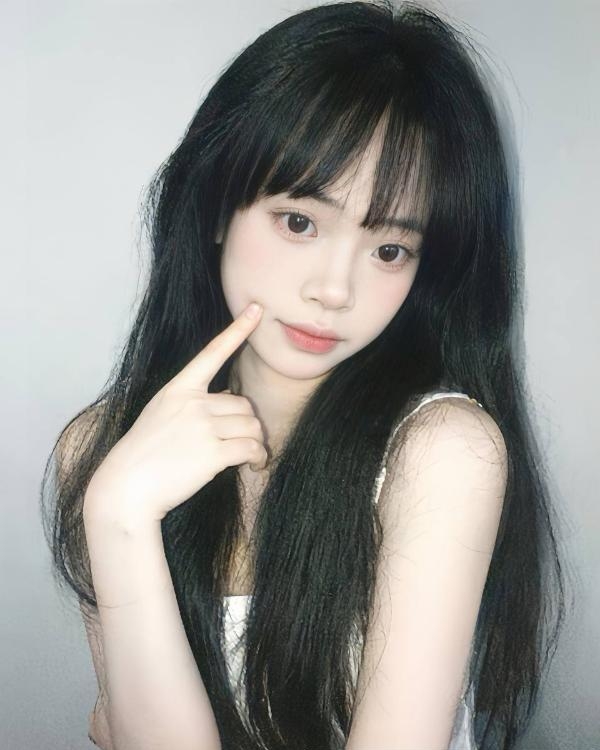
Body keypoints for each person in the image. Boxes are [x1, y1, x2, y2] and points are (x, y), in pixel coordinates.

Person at [40, 1, 569, 748]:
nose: (334, 289)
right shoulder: (103, 452)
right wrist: (119, 516)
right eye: (299, 222)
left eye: (390, 249)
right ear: (218, 207)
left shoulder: (440, 451)